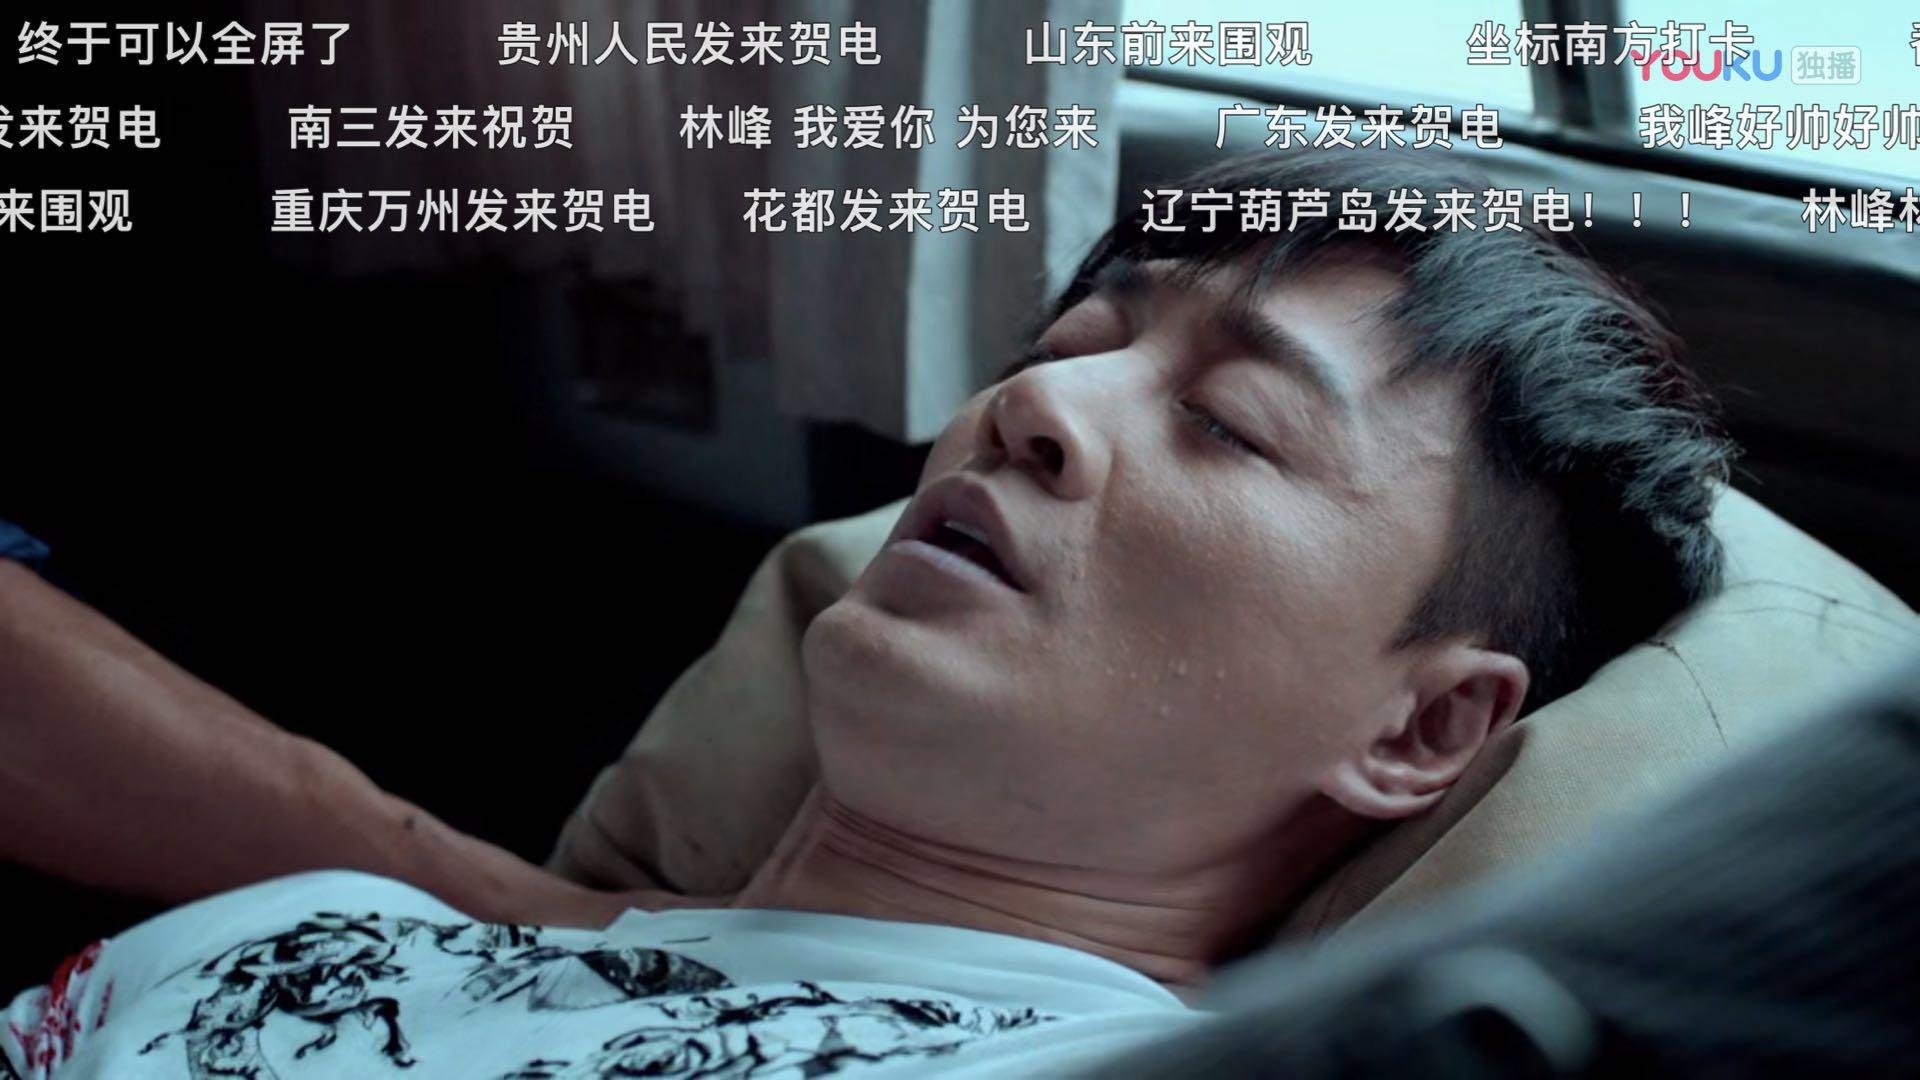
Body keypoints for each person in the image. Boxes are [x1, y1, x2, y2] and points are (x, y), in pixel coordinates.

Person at [1, 150, 1729, 1077]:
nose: (1035, 405)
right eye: (1073, 345)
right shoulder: (331, 931)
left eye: (1228, 423)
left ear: (1422, 727)